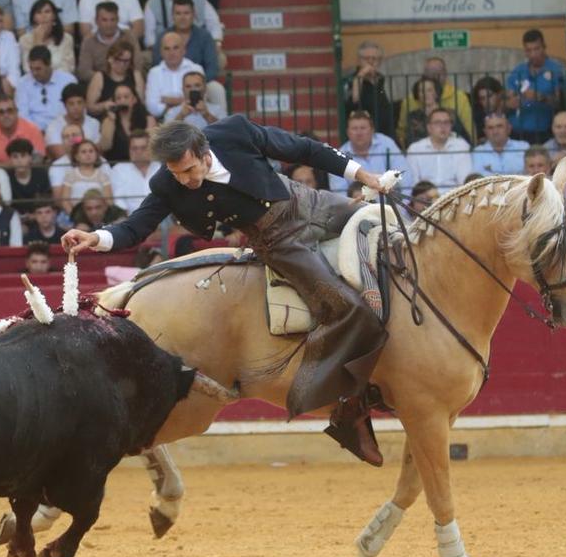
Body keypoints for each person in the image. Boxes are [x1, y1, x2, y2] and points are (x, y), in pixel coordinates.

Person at [60, 118, 401, 464]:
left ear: (204, 152)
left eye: (190, 170)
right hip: (278, 243)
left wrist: (363, 177)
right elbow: (137, 226)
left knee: (387, 224)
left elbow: (304, 149)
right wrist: (95, 238)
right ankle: (349, 410)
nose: (186, 181)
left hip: (311, 203)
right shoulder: (167, 183)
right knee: (346, 308)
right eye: (177, 173)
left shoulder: (235, 132)